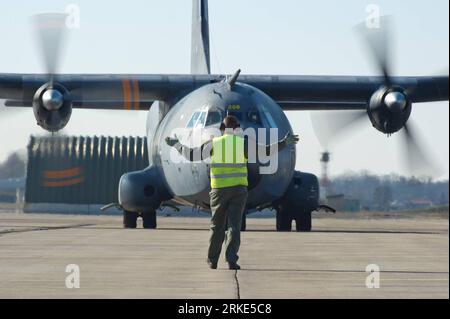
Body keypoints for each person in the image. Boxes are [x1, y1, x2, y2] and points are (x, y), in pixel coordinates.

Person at [166, 115, 299, 270]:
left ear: (222, 129)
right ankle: (231, 260)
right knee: (234, 227)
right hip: (238, 190)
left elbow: (192, 155)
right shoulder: (242, 144)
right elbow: (265, 151)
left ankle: (212, 260)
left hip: (219, 191)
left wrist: (176, 144)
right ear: (237, 129)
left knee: (217, 226)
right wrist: (284, 142)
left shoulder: (214, 143)